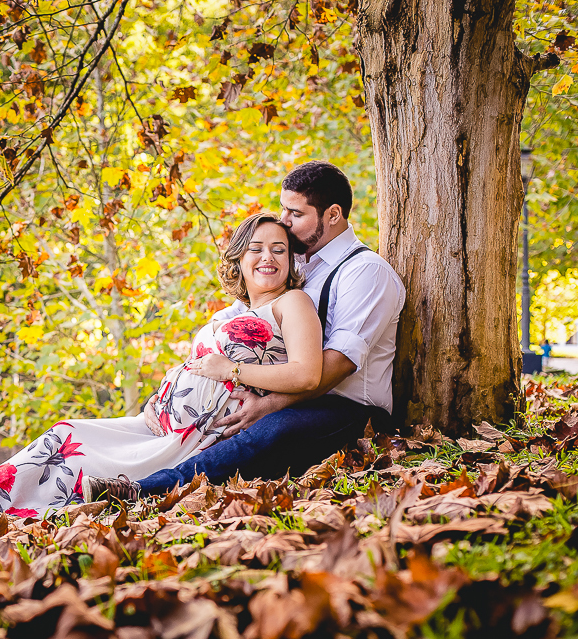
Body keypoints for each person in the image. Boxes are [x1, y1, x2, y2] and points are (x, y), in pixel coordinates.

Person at [0, 213, 323, 525]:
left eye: (279, 249)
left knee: (76, 461)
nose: (268, 258)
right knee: (63, 434)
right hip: (158, 423)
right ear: (239, 259)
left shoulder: (292, 302)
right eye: (257, 249)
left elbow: (307, 374)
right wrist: (161, 396)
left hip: (199, 437)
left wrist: (231, 370)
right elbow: (196, 365)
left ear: (290, 261)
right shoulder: (231, 309)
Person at [82, 161, 406, 504]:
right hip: (292, 395)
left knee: (270, 431)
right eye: (283, 209)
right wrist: (169, 392)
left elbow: (338, 364)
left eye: (294, 213)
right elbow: (229, 325)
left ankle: (142, 490)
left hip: (349, 410)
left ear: (333, 214)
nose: (284, 221)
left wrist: (269, 404)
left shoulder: (365, 272)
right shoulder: (299, 266)